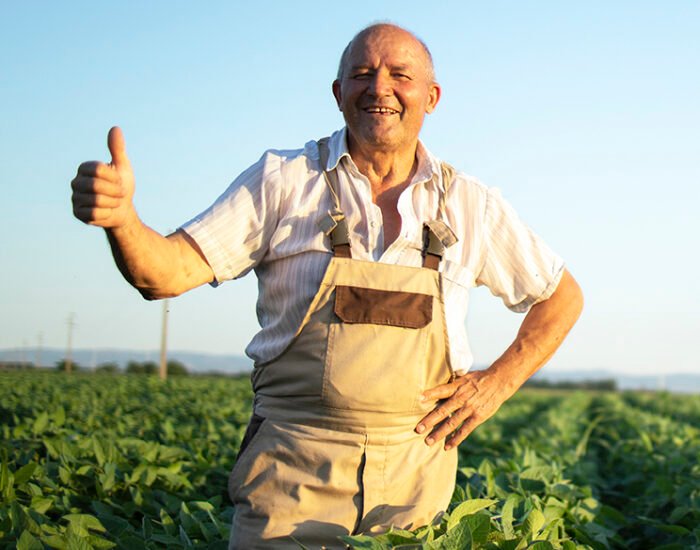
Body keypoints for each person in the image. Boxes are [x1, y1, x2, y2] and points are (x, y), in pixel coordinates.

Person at [71, 23, 583, 549]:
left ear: (431, 97)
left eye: (399, 76)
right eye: (362, 74)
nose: (379, 88)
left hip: (414, 487)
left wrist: (496, 383)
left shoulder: (469, 204)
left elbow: (561, 297)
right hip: (291, 478)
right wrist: (122, 221)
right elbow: (165, 273)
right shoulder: (284, 180)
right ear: (339, 94)